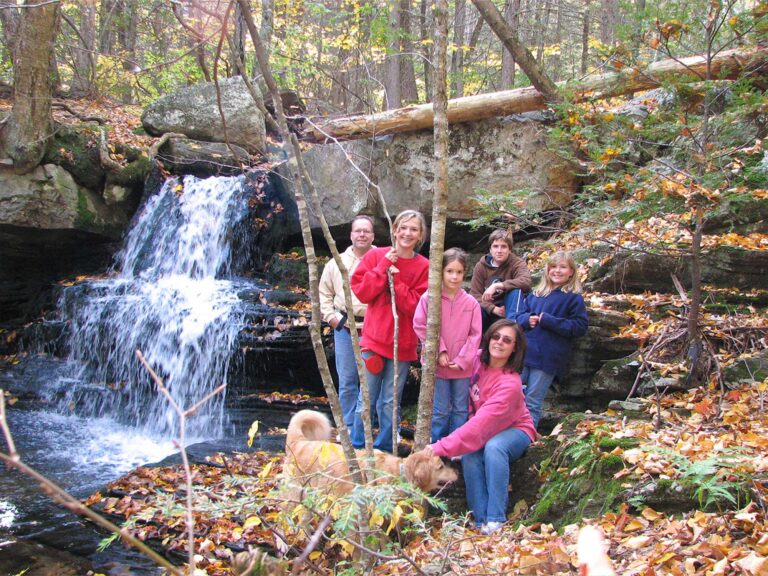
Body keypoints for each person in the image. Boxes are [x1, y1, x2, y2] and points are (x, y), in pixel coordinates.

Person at [426, 319, 536, 535]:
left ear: (515, 348)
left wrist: (440, 447)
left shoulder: (510, 384)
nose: (499, 342)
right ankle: (480, 520)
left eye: (507, 340)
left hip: (517, 429)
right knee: (470, 454)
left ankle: (496, 520)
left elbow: (479, 426)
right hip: (486, 428)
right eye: (496, 337)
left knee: (494, 448)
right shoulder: (477, 359)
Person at [349, 210, 429, 453]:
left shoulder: (423, 266)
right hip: (373, 342)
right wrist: (384, 266)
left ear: (420, 235)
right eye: (403, 227)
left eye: (413, 229)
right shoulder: (376, 255)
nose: (407, 233)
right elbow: (362, 291)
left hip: (402, 345)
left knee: (390, 402)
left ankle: (385, 450)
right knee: (367, 399)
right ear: (395, 229)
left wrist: (398, 283)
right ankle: (358, 447)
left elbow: (416, 306)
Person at [413, 248, 482, 442]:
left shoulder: (471, 303)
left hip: (461, 367)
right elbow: (421, 325)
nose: (454, 276)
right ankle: (437, 447)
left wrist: (462, 360)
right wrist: (439, 351)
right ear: (441, 272)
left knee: (460, 408)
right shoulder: (429, 299)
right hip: (437, 365)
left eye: (459, 272)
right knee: (440, 410)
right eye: (450, 271)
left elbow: (475, 334)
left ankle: (456, 448)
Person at [516, 251, 588, 429]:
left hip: (548, 359)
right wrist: (527, 320)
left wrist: (550, 321)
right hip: (526, 354)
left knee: (532, 400)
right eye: (553, 267)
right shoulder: (537, 294)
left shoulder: (573, 298)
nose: (557, 271)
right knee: (513, 394)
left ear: (571, 271)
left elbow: (579, 327)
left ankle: (526, 435)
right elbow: (519, 316)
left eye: (562, 267)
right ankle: (507, 431)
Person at [318, 215, 375, 429]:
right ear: (350, 235)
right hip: (345, 328)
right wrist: (332, 319)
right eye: (358, 231)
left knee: (373, 382)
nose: (362, 234)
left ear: (373, 235)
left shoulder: (382, 259)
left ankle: (367, 428)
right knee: (348, 381)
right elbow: (324, 293)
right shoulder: (336, 262)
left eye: (366, 231)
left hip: (374, 329)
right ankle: (349, 428)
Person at [469, 229, 532, 332]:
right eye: (495, 246)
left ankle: (512, 331)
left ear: (510, 250)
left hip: (509, 308)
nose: (499, 250)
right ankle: (478, 341)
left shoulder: (517, 263)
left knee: (516, 291)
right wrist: (492, 308)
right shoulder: (481, 266)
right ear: (490, 249)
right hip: (488, 310)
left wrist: (497, 285)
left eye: (503, 246)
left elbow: (526, 282)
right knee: (475, 306)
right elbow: (474, 294)